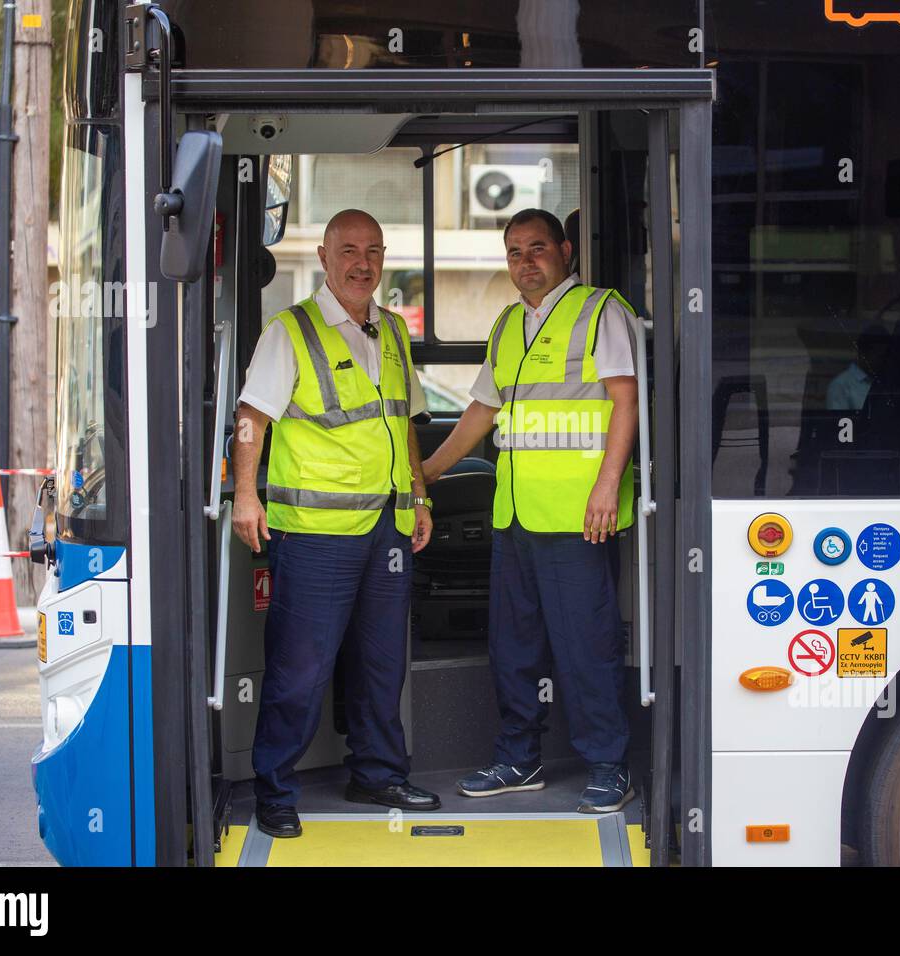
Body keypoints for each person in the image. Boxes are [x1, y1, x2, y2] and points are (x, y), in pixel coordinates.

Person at [422, 208, 640, 813]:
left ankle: (607, 765)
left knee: (585, 646)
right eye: (515, 252)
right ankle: (518, 757)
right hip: (514, 515)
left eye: (537, 248)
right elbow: (482, 412)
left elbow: (627, 403)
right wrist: (429, 473)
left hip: (577, 516)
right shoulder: (508, 324)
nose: (526, 262)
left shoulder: (601, 312)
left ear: (565, 250)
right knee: (513, 646)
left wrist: (606, 485)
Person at [232, 209, 440, 839]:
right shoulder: (289, 331)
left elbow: (404, 425)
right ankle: (275, 789)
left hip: (389, 528)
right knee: (301, 666)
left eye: (374, 251)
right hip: (316, 533)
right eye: (348, 250)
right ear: (323, 257)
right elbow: (251, 418)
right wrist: (246, 496)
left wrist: (421, 497)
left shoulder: (394, 332)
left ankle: (376, 773)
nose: (363, 263)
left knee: (381, 663)